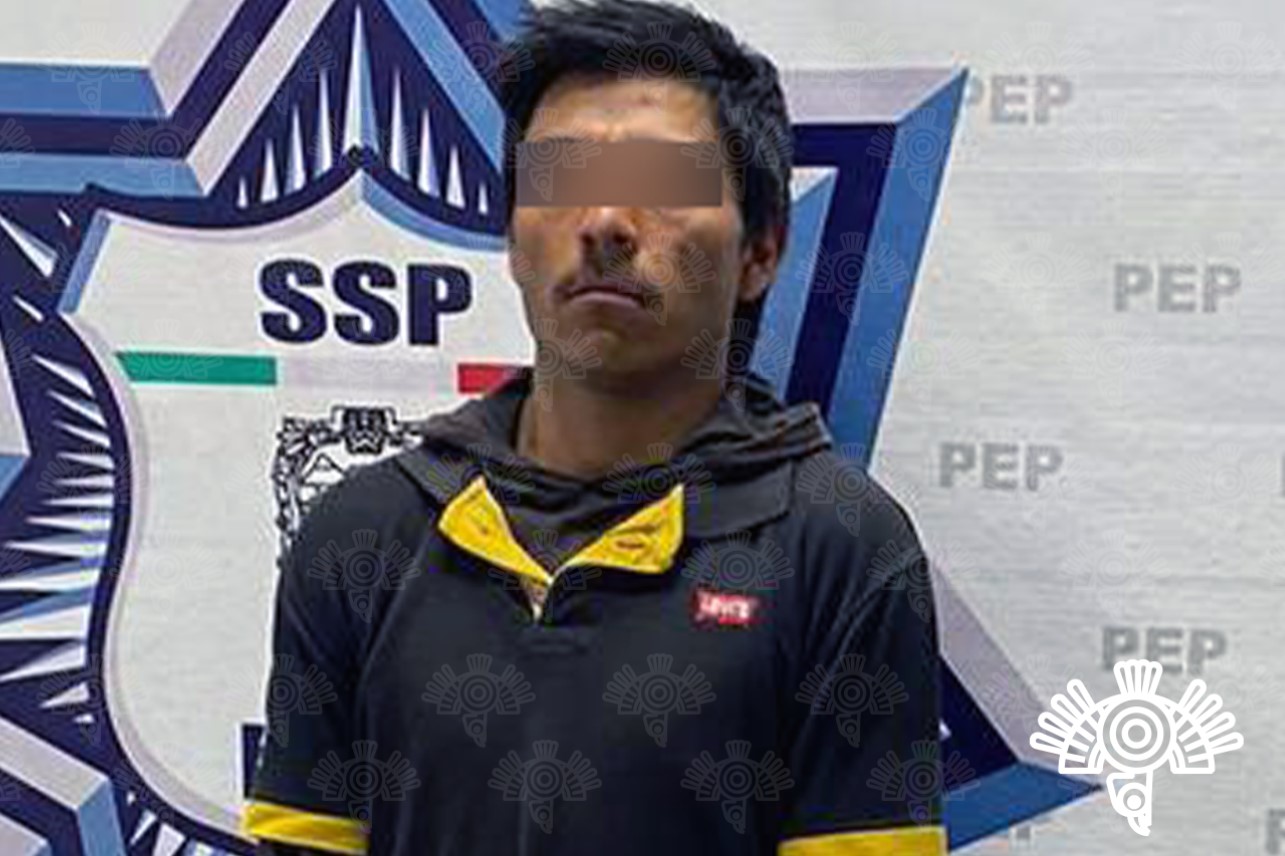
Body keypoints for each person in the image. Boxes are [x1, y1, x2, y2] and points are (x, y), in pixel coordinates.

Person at [241, 0, 944, 853]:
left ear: (760, 251)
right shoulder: (362, 536)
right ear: (511, 238)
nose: (605, 220)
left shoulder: (839, 549)